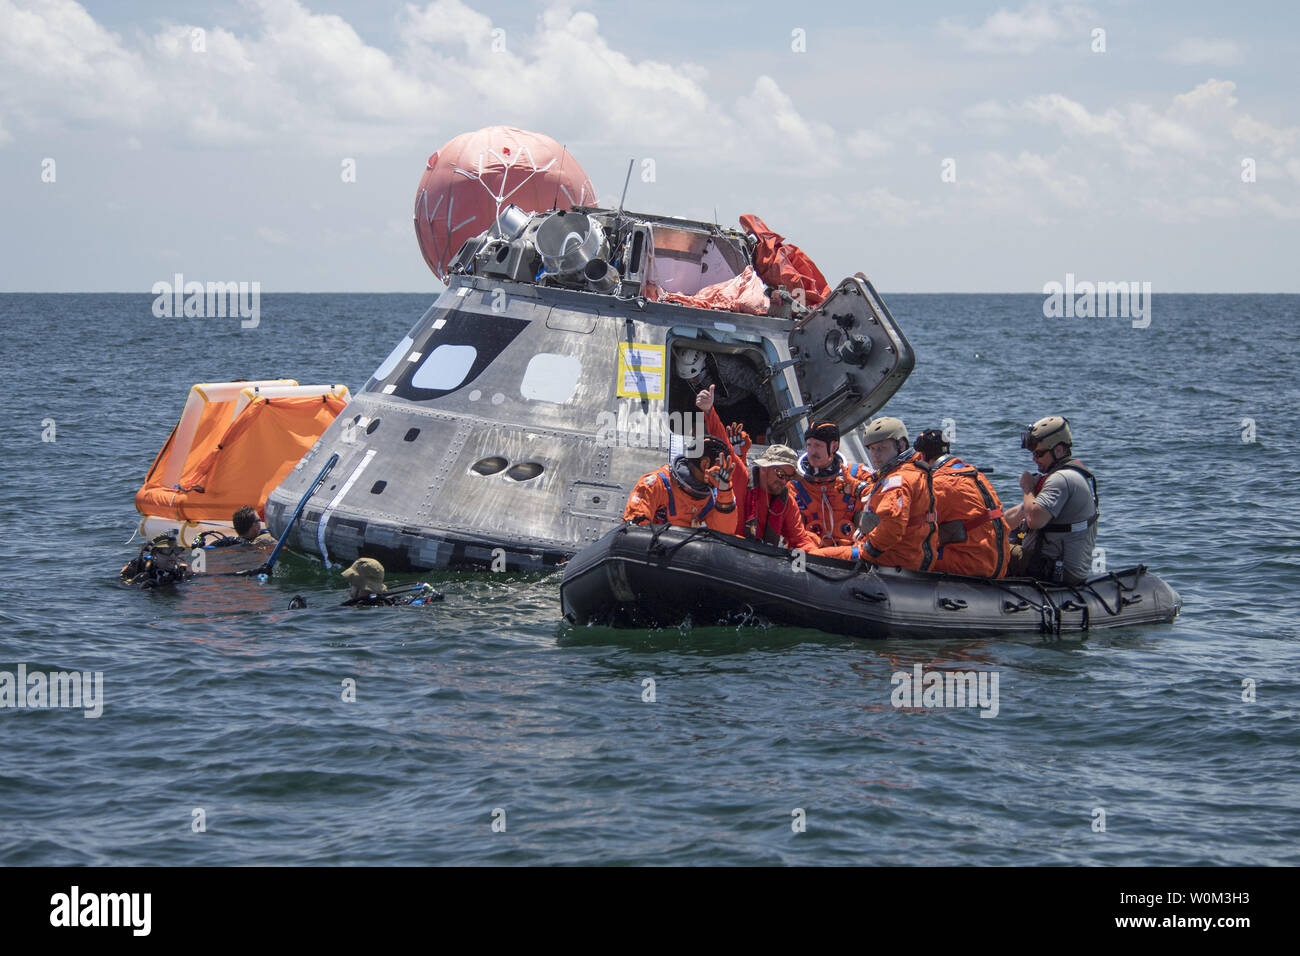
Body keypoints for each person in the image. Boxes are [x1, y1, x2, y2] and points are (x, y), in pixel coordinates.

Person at [695, 386, 818, 551]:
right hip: (725, 551)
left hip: (759, 563)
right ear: (765, 468)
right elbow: (724, 446)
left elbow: (801, 541)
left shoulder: (786, 501)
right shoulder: (742, 478)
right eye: (781, 474)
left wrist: (833, 558)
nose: (784, 481)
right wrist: (709, 411)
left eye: (788, 477)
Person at [816, 417, 936, 570]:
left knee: (817, 556)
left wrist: (866, 553)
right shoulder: (909, 471)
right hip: (908, 554)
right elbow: (882, 495)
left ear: (901, 445)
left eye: (881, 448)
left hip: (894, 559)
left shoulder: (898, 481)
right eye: (872, 449)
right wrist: (855, 486)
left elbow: (891, 529)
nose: (875, 455)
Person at [1002, 416, 1098, 585]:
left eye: (1039, 454)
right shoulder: (1061, 477)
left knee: (988, 551)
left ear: (1059, 450)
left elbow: (1033, 521)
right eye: (1033, 453)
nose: (1034, 459)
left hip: (1057, 571)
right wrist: (990, 527)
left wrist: (1027, 488)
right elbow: (1021, 512)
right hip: (1051, 564)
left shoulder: (1061, 480)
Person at [912, 428, 1009, 578]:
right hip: (998, 563)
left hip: (973, 565)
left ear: (923, 456)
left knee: (907, 552)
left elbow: (913, 525)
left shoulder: (940, 484)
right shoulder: (977, 476)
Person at [624, 433, 738, 532]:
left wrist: (725, 490)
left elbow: (724, 532)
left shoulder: (713, 497)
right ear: (705, 464)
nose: (723, 472)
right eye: (721, 466)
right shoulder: (656, 485)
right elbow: (634, 531)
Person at [789, 420, 873, 547]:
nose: (811, 452)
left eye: (818, 446)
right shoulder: (795, 483)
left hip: (852, 552)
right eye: (809, 445)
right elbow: (792, 531)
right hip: (811, 552)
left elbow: (884, 503)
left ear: (833, 447)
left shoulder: (858, 475)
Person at [673, 346, 776, 442]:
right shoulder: (686, 379)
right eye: (688, 380)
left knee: (747, 435)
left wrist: (773, 414)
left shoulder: (727, 367)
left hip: (742, 403)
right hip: (714, 407)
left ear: (703, 366)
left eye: (695, 377)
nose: (692, 381)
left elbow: (758, 385)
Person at [120, 533, 194, 588]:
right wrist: (137, 585)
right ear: (155, 554)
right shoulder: (139, 567)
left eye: (175, 551)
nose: (172, 556)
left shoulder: (178, 572)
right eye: (167, 551)